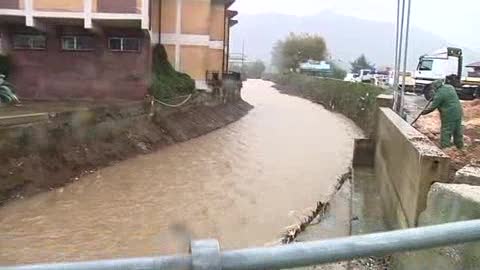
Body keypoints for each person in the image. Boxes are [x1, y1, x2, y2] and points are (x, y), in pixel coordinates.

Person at [421, 80, 464, 149]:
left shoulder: (439, 95)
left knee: (446, 130)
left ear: (435, 87)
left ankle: (445, 147)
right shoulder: (450, 87)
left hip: (449, 114)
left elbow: (432, 108)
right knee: (457, 130)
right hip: (458, 112)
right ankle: (460, 146)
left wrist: (422, 112)